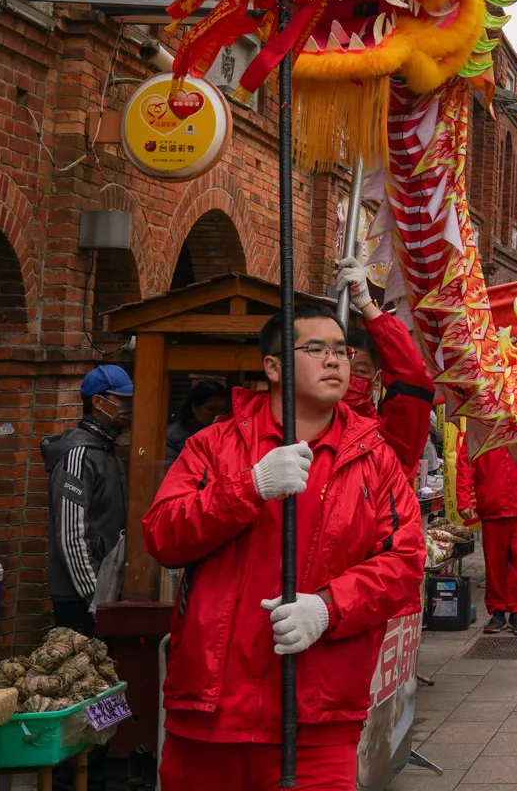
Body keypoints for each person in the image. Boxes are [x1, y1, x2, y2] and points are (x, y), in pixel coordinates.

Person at [143, 294, 425, 791]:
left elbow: (404, 562)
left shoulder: (375, 457)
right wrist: (246, 488)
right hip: (210, 716)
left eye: (340, 349)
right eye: (316, 348)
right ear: (273, 366)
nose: (335, 359)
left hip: (318, 719)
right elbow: (163, 534)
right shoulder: (213, 445)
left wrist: (328, 608)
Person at [43, 364, 134, 635]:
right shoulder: (79, 455)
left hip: (101, 596)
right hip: (80, 599)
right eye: (122, 401)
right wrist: (95, 599)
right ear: (98, 402)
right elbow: (71, 536)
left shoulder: (106, 451)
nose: (128, 409)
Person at [335, 256, 436, 476]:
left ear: (376, 380)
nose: (348, 378)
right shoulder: (296, 428)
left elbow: (414, 379)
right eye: (341, 367)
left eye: (360, 371)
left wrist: (366, 305)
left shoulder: (386, 439)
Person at [455, 418, 517, 635]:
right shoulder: (480, 429)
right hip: (493, 509)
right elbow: (466, 464)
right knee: (495, 564)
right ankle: (498, 612)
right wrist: (463, 499)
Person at [166, 377, 231, 466]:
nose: (217, 415)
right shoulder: (173, 437)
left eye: (221, 411)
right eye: (211, 409)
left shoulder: (225, 434)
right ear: (194, 406)